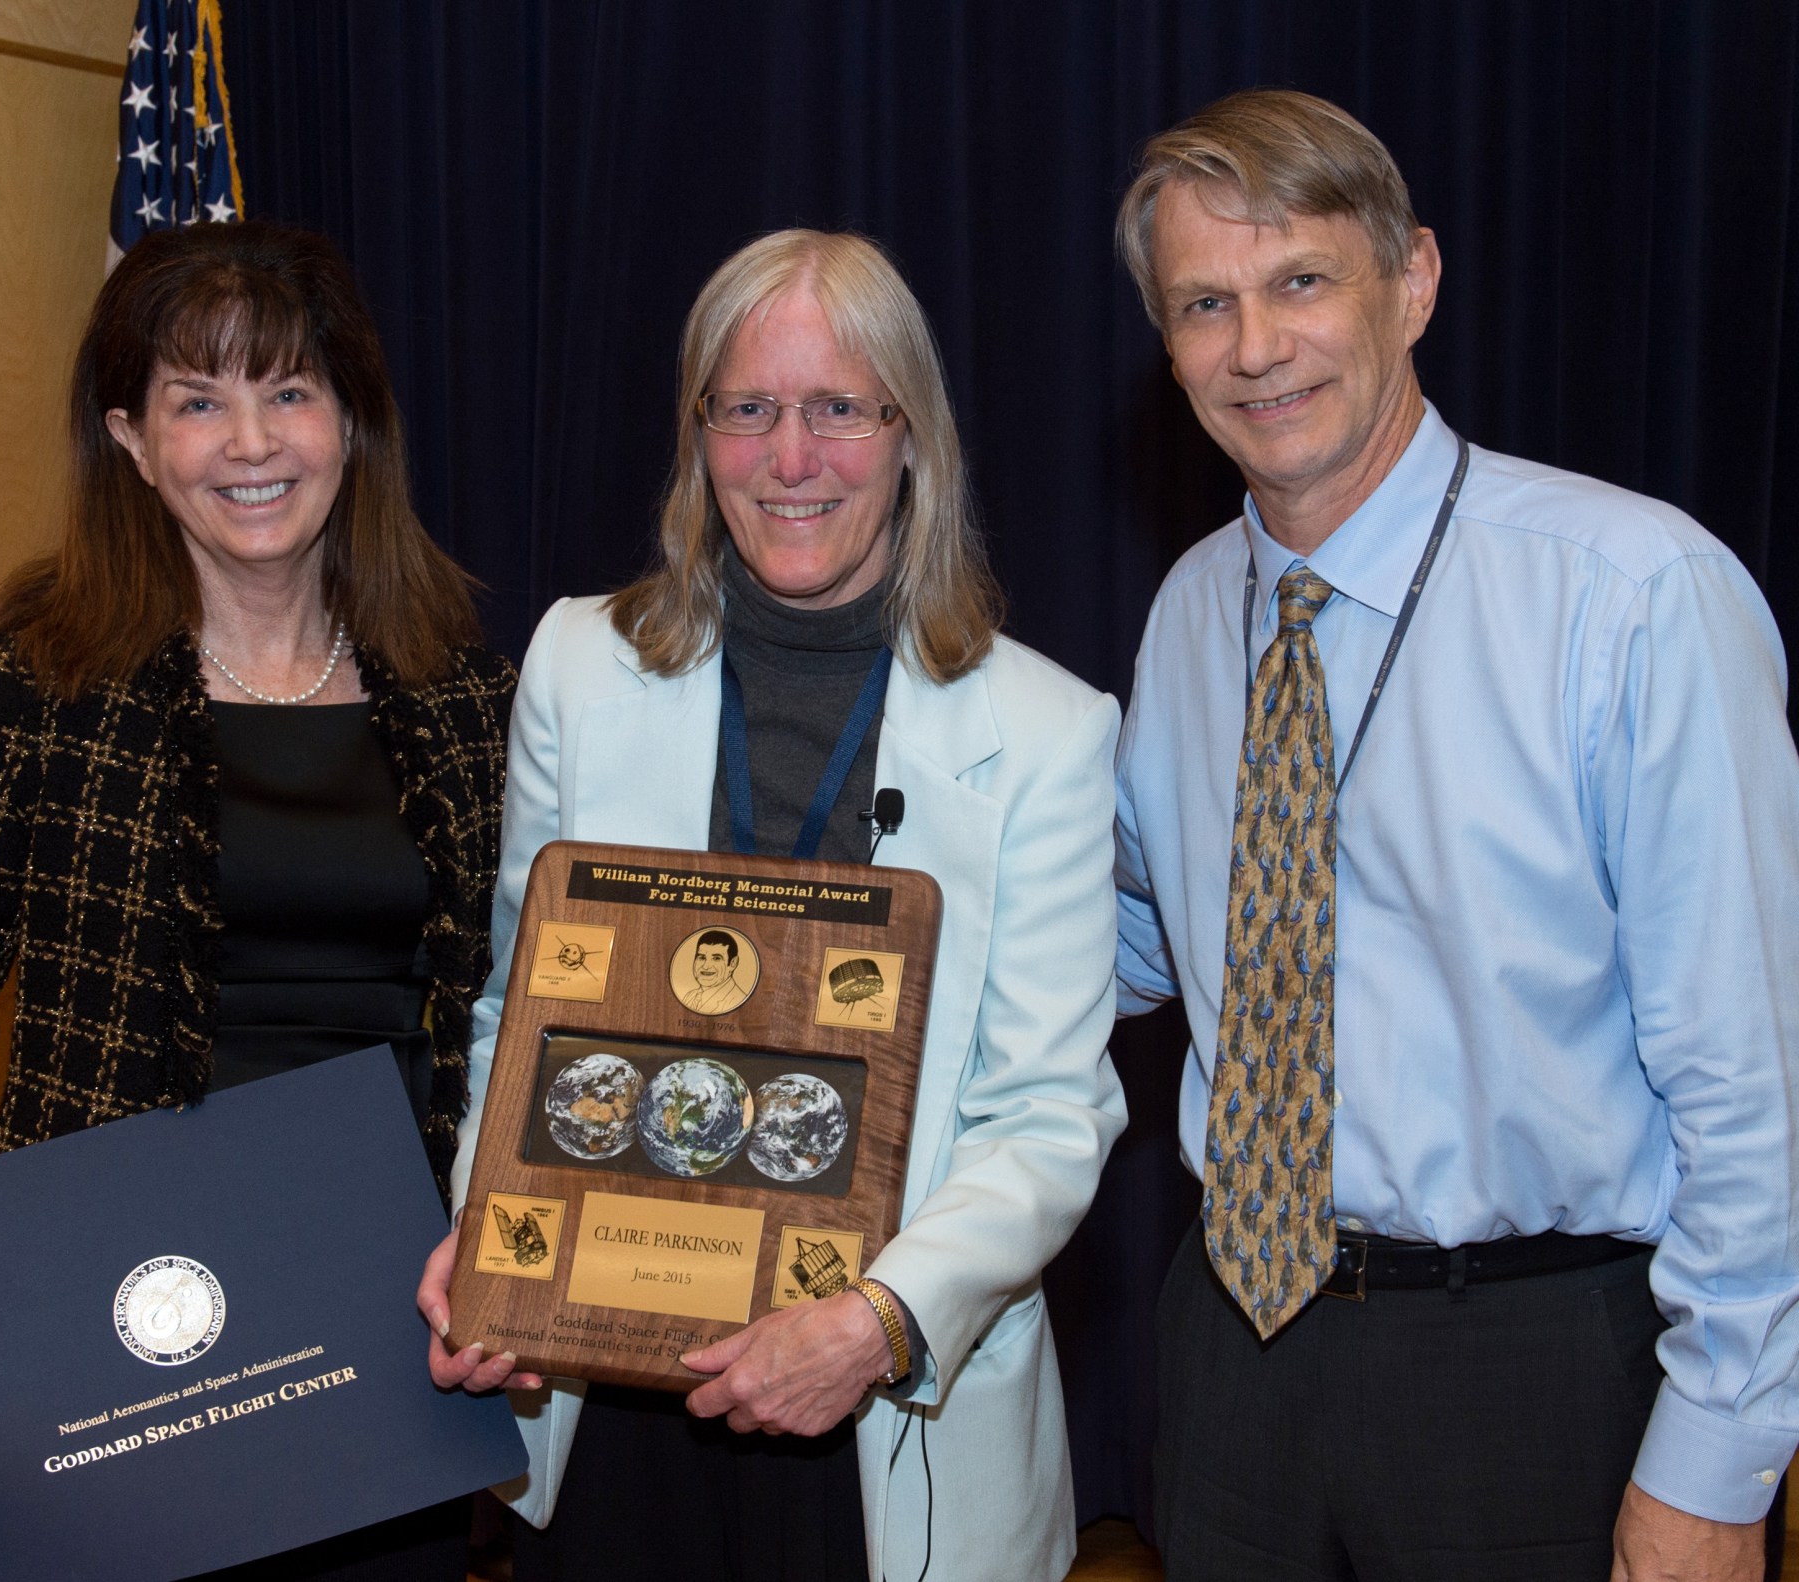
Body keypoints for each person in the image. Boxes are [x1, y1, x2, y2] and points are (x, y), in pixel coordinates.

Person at [0, 222, 515, 1581]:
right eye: (198, 400)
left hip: (384, 1343)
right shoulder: (38, 685)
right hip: (111, 1343)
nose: (252, 442)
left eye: (289, 391)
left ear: (352, 422)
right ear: (129, 436)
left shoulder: (463, 690)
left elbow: (524, 1015)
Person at [1110, 89, 1799, 1581]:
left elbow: (1752, 1073)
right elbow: (1131, 946)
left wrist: (1719, 1456)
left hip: (1540, 1369)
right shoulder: (1181, 617)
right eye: (1202, 304)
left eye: (1301, 281)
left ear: (1412, 281)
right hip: (1234, 1358)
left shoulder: (1632, 596)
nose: (1255, 346)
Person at [417, 228, 1127, 1582]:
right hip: (611, 1389)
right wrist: (493, 1248)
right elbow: (517, 1010)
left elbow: (1047, 1112)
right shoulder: (576, 663)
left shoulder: (1046, 729)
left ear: (910, 435)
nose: (789, 459)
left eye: (837, 410)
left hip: (881, 1415)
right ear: (700, 436)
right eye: (748, 408)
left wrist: (874, 1321)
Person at [681, 928, 749, 1015]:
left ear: (733, 963)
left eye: (716, 958)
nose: (706, 966)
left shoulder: (738, 1001)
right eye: (702, 957)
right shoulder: (689, 996)